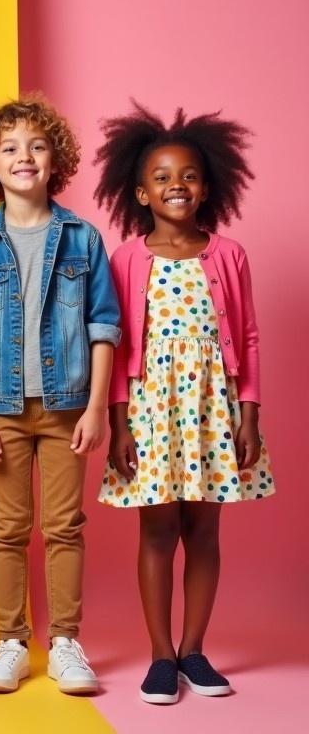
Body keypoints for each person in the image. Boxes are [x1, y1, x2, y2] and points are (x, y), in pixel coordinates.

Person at [93, 102, 274, 704]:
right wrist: (118, 424)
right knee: (157, 531)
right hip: (150, 409)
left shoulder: (229, 255)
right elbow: (115, 349)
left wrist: (249, 415)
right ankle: (160, 656)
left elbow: (245, 337)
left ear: (207, 186)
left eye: (190, 175)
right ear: (140, 192)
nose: (177, 185)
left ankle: (195, 649)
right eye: (163, 177)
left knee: (204, 528)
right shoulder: (125, 258)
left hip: (213, 411)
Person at [0, 94, 120, 695]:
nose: (24, 157)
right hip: (0, 410)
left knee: (65, 525)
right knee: (6, 528)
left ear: (56, 160)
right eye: (10, 148)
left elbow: (104, 327)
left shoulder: (82, 239)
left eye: (37, 145)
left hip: (67, 406)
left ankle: (67, 642)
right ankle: (11, 642)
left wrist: (97, 405)